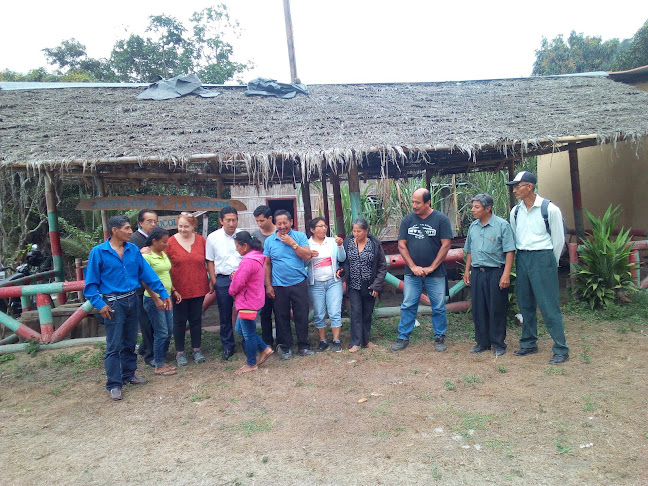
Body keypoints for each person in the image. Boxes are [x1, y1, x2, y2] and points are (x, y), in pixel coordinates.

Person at [84, 215, 171, 401]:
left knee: (130, 341)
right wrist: (100, 305)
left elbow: (147, 274)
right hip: (113, 303)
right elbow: (90, 285)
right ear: (114, 230)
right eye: (126, 228)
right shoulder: (98, 252)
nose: (131, 232)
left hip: (133, 300)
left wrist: (163, 293)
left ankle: (129, 374)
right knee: (114, 344)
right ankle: (114, 384)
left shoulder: (133, 250)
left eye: (130, 228)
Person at [507, 171, 570, 364]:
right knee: (525, 303)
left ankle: (560, 348)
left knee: (548, 304)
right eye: (514, 187)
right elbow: (515, 236)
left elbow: (559, 239)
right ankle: (528, 343)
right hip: (523, 257)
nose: (515, 190)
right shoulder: (515, 211)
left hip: (543, 256)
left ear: (530, 187)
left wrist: (551, 263)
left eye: (518, 186)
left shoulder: (549, 209)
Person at [392, 188, 453, 353]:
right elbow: (401, 245)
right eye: (413, 201)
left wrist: (432, 267)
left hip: (436, 273)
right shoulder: (408, 220)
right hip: (412, 273)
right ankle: (403, 337)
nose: (414, 205)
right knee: (408, 304)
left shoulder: (441, 219)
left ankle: (440, 337)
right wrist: (413, 266)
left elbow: (446, 244)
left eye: (417, 202)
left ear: (427, 202)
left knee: (439, 306)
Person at [463, 193, 515, 356]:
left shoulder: (502, 225)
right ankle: (482, 342)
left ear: (488, 208)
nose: (473, 210)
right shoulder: (473, 226)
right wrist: (467, 270)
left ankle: (498, 344)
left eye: (476, 207)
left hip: (495, 272)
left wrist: (506, 275)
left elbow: (509, 251)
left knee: (496, 308)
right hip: (478, 272)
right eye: (473, 206)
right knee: (478, 309)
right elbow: (470, 250)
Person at [264, 209, 314, 359]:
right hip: (279, 285)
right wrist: (268, 285)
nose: (282, 226)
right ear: (275, 224)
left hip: (298, 282)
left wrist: (293, 243)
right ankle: (286, 347)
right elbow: (267, 264)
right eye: (279, 223)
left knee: (301, 315)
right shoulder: (269, 241)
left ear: (291, 222)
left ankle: (303, 346)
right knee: (281, 316)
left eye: (285, 222)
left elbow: (307, 255)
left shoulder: (299, 236)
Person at [165, 213, 211, 367]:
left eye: (186, 226)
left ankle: (196, 349)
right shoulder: (170, 242)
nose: (183, 229)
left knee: (196, 320)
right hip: (178, 289)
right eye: (180, 226)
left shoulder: (201, 241)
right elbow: (162, 262)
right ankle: (180, 352)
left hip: (198, 287)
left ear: (193, 226)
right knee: (179, 321)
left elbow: (209, 260)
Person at [229, 231, 274, 373]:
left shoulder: (248, 261)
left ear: (245, 246)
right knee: (241, 329)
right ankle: (264, 348)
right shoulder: (256, 258)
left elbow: (238, 283)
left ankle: (251, 363)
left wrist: (232, 289)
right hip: (254, 299)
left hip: (247, 301)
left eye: (237, 246)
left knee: (248, 333)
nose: (236, 249)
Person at [341, 218, 387, 352]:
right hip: (354, 285)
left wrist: (376, 286)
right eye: (354, 231)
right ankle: (356, 342)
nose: (356, 234)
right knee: (355, 313)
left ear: (366, 230)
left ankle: (366, 341)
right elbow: (343, 261)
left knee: (367, 313)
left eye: (359, 231)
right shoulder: (348, 243)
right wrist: (342, 270)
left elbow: (382, 267)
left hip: (369, 285)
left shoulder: (374, 245)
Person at [141, 227, 181, 376]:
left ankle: (161, 360)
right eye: (164, 242)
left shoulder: (162, 254)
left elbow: (165, 275)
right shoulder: (146, 257)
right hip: (154, 299)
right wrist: (156, 298)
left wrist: (173, 291)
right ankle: (158, 364)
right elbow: (145, 280)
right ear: (154, 241)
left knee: (169, 330)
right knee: (161, 331)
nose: (167, 244)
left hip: (166, 297)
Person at [206, 206, 242, 361]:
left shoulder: (243, 235)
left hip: (242, 279)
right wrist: (214, 281)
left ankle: (247, 342)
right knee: (225, 314)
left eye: (234, 220)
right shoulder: (213, 237)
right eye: (228, 220)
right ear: (221, 221)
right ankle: (228, 346)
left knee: (245, 312)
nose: (231, 223)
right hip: (222, 280)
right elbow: (210, 261)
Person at [307, 217, 346, 353]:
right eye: (320, 226)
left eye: (325, 226)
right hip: (315, 283)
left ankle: (336, 340)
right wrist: (309, 256)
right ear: (312, 230)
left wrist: (340, 245)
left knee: (335, 311)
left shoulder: (332, 242)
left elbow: (341, 258)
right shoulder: (307, 244)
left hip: (333, 282)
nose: (324, 228)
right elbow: (303, 264)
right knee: (319, 313)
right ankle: (323, 341)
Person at [130, 209, 158, 368]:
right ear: (140, 223)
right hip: (140, 289)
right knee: (146, 322)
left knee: (154, 321)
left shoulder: (155, 238)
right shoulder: (134, 240)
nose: (153, 224)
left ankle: (144, 348)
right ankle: (150, 354)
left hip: (154, 287)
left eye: (155, 221)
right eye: (149, 221)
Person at [252, 205, 276, 348]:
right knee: (265, 313)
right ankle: (267, 342)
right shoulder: (254, 235)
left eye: (262, 221)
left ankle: (283, 341)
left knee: (280, 312)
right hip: (260, 281)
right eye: (257, 221)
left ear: (270, 218)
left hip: (279, 279)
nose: (260, 224)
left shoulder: (279, 234)